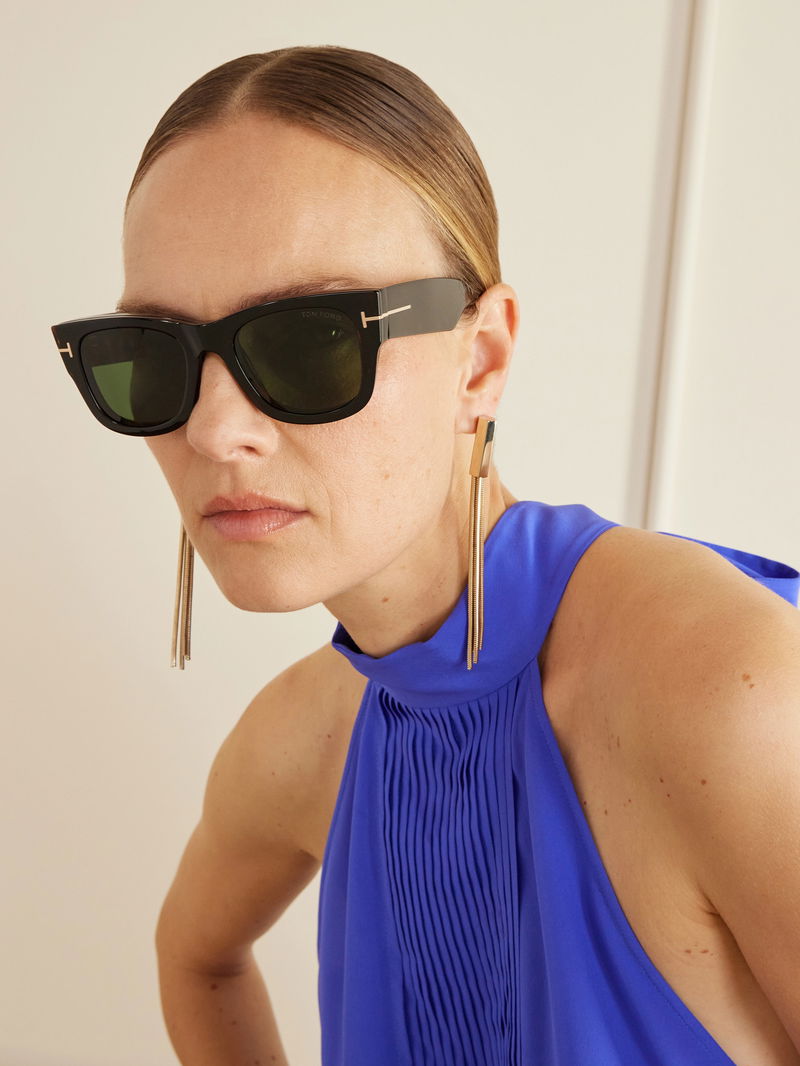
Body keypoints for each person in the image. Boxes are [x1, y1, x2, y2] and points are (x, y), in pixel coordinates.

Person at [51, 45, 800, 1066]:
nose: (214, 430)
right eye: (153, 354)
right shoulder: (302, 740)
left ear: (479, 360)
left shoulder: (725, 689)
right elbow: (197, 957)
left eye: (311, 339)